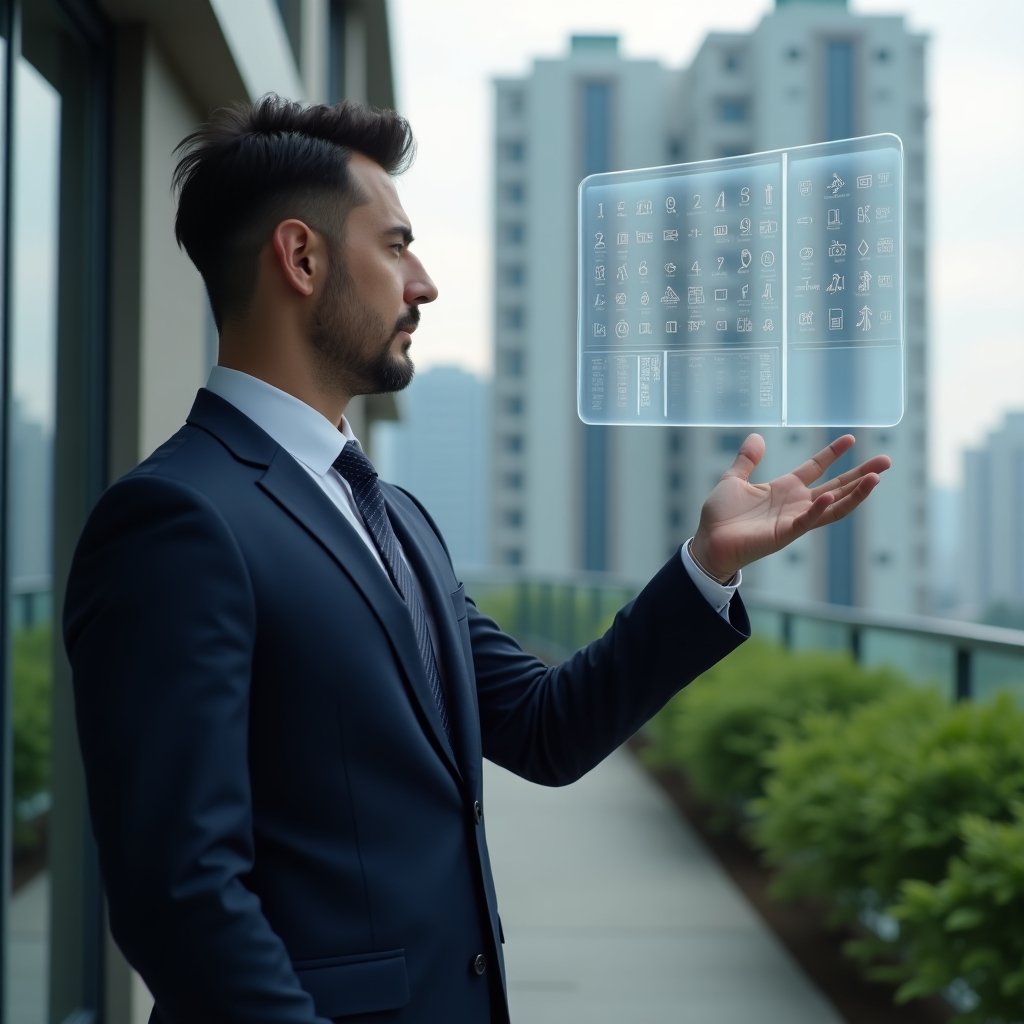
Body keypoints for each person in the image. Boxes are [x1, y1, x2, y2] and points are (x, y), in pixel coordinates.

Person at [63, 94, 891, 1024]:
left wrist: (706, 565)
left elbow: (546, 727)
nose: (423, 283)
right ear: (300, 258)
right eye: (396, 244)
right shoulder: (176, 520)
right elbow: (178, 894)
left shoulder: (395, 517)